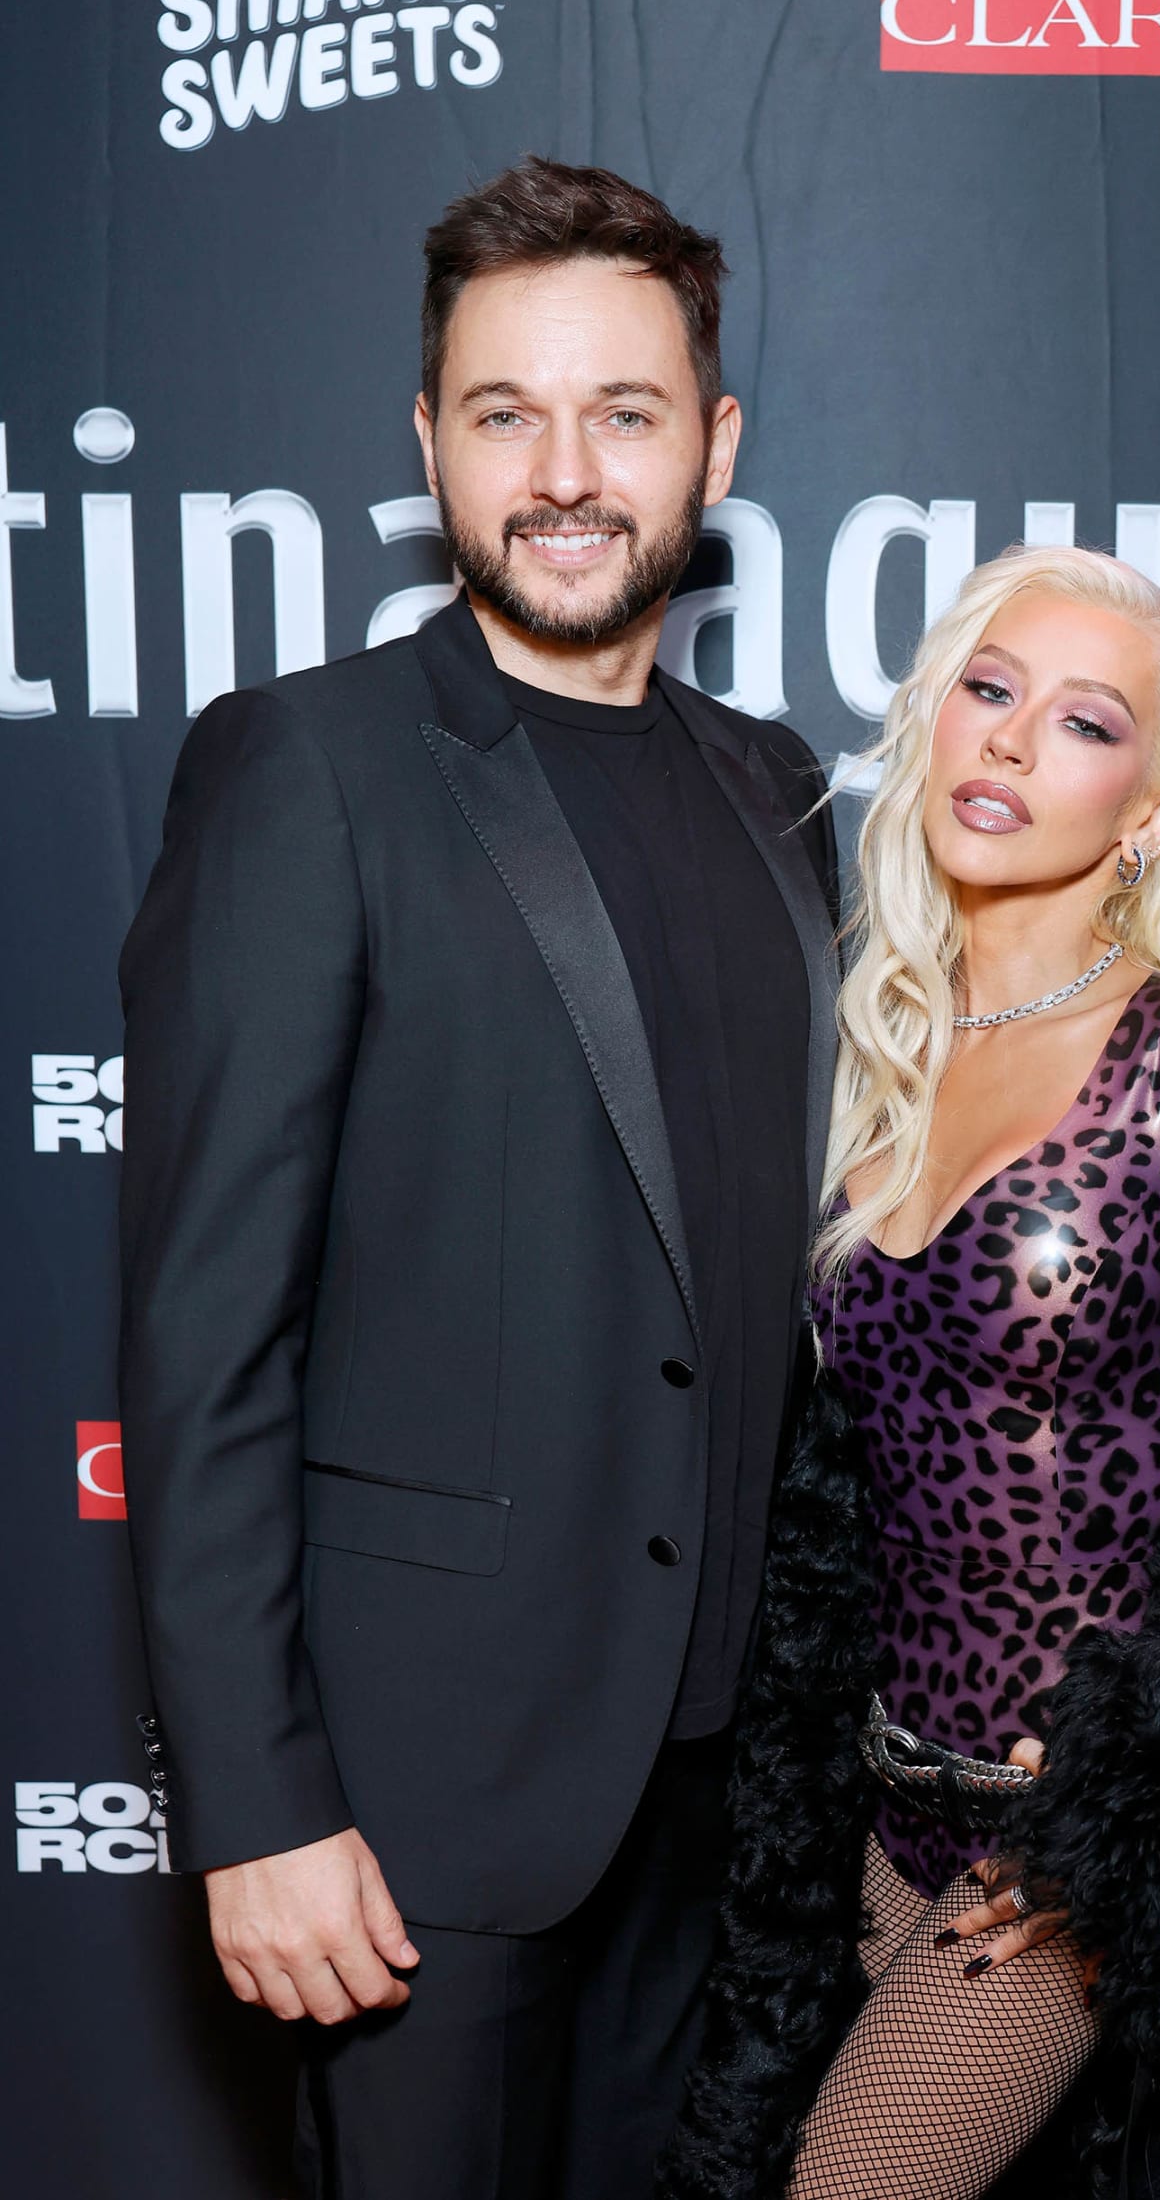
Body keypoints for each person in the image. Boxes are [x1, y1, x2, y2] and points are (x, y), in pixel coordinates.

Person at [117, 157, 839, 2200]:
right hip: (414, 1817)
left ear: (715, 446)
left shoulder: (781, 790)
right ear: (427, 438)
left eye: (625, 412)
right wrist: (257, 1803)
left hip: (716, 1816)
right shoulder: (307, 767)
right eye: (507, 413)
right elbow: (204, 1336)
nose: (566, 475)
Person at [668, 542, 1160, 2200]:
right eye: (989, 688)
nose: (1013, 739)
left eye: (1085, 721)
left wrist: (1137, 1791)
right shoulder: (872, 1042)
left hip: (1067, 1856)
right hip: (874, 1815)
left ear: (1155, 812)